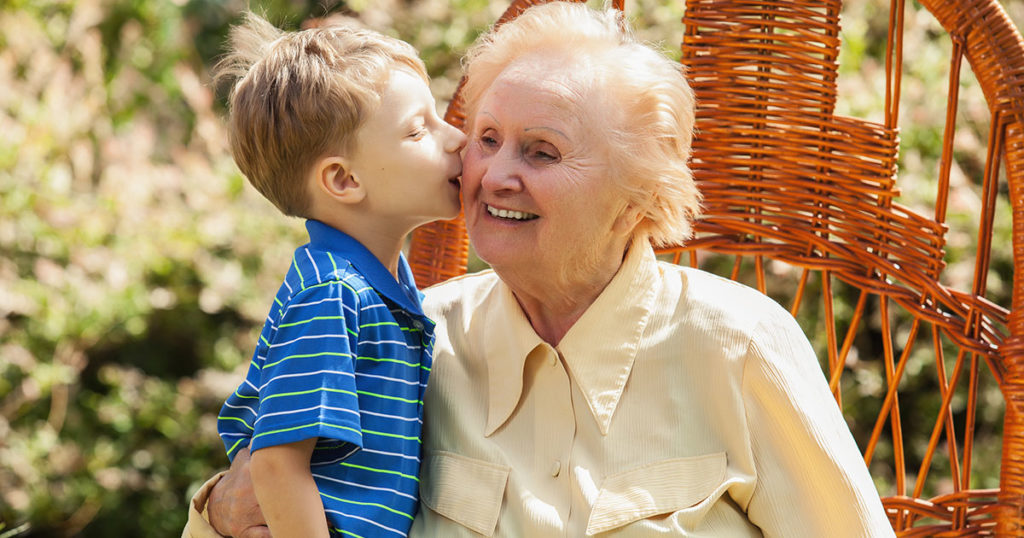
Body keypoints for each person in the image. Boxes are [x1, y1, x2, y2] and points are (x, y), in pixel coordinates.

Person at [187, 3, 896, 537]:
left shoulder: (739, 346)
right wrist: (220, 510)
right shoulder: (409, 338)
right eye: (487, 138)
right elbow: (274, 484)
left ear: (638, 194)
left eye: (542, 152)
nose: (493, 174)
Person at [202, 11, 465, 538]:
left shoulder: (382, 285)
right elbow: (276, 465)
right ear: (344, 179)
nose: (456, 137)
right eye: (419, 129)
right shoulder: (334, 294)